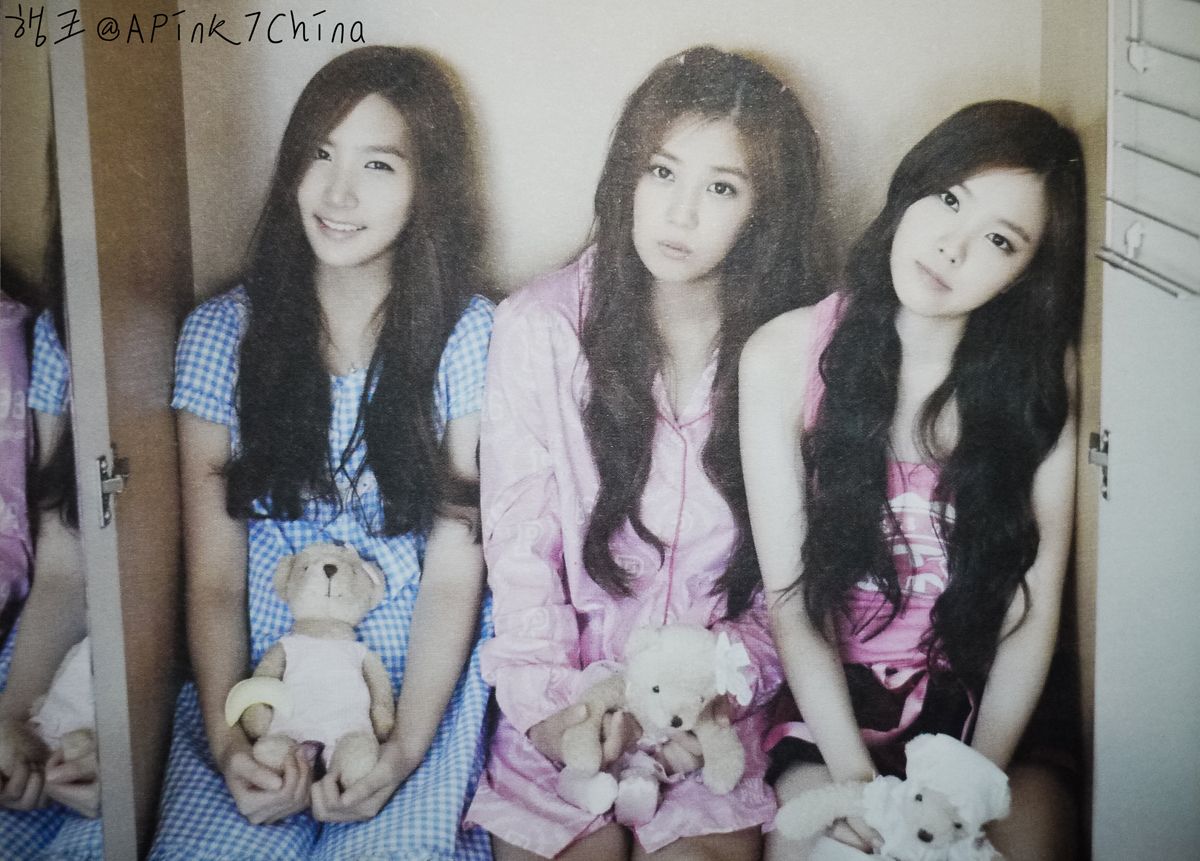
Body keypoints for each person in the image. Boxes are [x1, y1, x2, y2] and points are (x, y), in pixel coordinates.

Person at [466, 46, 823, 861]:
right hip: (566, 713)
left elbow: (790, 586)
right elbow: (520, 559)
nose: (680, 213)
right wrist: (557, 714)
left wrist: (718, 699)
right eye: (662, 173)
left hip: (709, 725)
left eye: (722, 188)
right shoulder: (540, 328)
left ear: (764, 211)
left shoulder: (792, 353)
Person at [150, 46, 495, 860]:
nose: (339, 194)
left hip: (409, 698)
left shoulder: (467, 335)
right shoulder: (221, 334)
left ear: (427, 184)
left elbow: (454, 574)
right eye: (320, 154)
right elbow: (214, 578)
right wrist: (231, 743)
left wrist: (403, 750)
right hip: (259, 698)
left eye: (378, 165)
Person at [739, 101, 1085, 861]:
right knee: (826, 850)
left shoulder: (1040, 376)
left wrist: (968, 786)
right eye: (950, 199)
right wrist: (859, 783)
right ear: (911, 188)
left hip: (985, 708)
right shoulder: (783, 354)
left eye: (999, 240)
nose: (952, 248)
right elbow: (792, 603)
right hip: (838, 710)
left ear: (1025, 273)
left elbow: (1033, 606)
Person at [0, 294, 102, 857]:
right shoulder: (58, 334)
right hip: (68, 649)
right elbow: (64, 569)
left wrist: (128, 741)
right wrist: (16, 720)